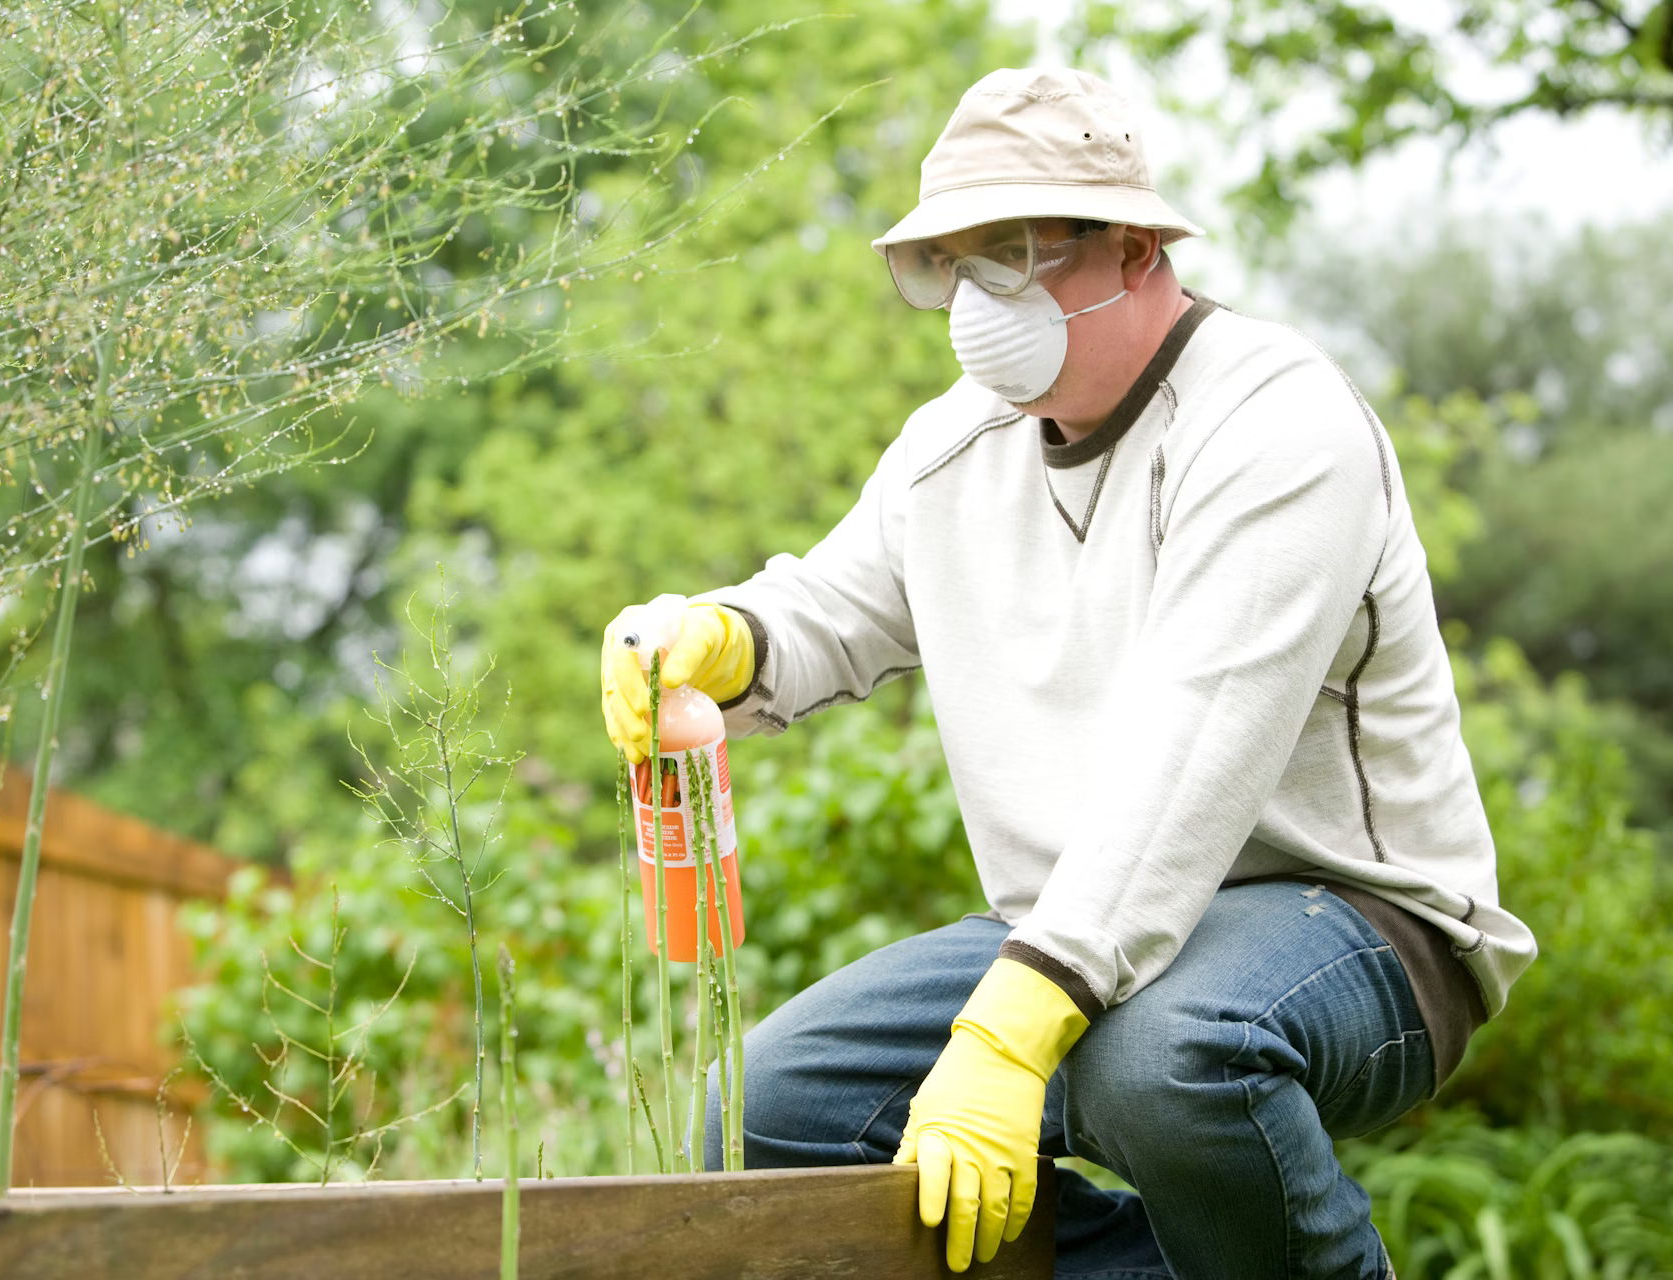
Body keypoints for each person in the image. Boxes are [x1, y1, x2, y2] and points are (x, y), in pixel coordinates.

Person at [598, 68, 1535, 1279]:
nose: (977, 298)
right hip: (1071, 932)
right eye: (951, 262)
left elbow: (1195, 756)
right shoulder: (954, 443)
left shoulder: (1276, 423)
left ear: (1137, 245)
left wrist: (1011, 1026)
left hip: (1357, 918)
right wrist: (717, 637)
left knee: (1158, 1056)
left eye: (1018, 251)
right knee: (767, 1117)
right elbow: (831, 607)